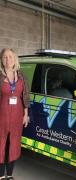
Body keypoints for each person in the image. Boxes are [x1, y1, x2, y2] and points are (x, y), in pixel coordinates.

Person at [0, 48, 30, 180]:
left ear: (15, 59)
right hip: (2, 115)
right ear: (1, 60)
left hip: (17, 115)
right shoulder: (0, 76)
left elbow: (25, 96)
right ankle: (1, 175)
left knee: (14, 143)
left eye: (10, 56)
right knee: (1, 144)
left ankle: (10, 174)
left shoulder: (21, 75)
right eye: (5, 57)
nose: (8, 59)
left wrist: (25, 114)